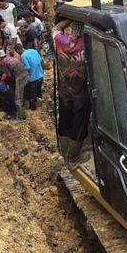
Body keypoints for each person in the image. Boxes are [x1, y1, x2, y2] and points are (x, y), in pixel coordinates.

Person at [54, 18, 90, 159]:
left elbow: (55, 28)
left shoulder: (61, 41)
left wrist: (69, 18)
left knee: (64, 120)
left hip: (64, 92)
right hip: (81, 92)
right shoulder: (87, 44)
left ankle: (64, 153)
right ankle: (73, 156)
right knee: (79, 124)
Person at [4, 43, 29, 120]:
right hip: (26, 75)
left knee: (18, 97)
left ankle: (19, 118)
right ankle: (23, 112)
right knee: (23, 95)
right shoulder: (12, 58)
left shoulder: (4, 62)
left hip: (20, 77)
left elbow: (9, 75)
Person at [20, 33, 44, 110]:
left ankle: (33, 109)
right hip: (40, 75)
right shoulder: (33, 51)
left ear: (18, 50)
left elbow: (27, 68)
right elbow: (40, 61)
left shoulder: (23, 56)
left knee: (32, 95)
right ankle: (40, 107)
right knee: (39, 92)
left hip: (33, 79)